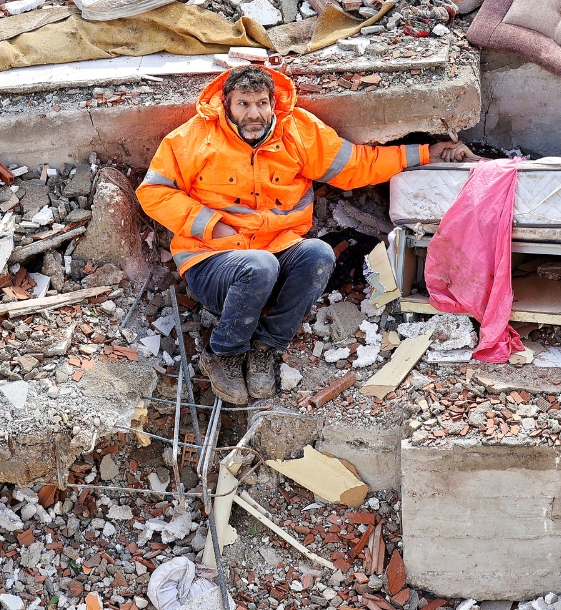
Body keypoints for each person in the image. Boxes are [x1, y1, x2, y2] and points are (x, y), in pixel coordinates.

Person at [136, 65, 476, 404]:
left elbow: (357, 165)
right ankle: (224, 353)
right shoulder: (194, 136)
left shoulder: (297, 131)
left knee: (318, 254)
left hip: (276, 255)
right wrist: (211, 225)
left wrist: (428, 153)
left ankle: (266, 348)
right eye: (243, 104)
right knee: (259, 266)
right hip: (213, 263)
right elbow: (153, 192)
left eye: (261, 104)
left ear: (273, 103)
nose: (254, 114)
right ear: (226, 104)